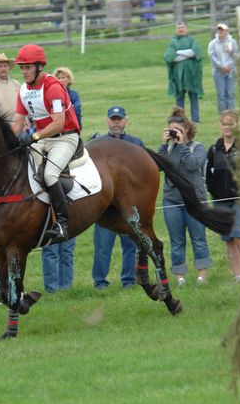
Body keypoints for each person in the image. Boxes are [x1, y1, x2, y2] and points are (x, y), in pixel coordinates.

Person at [11, 44, 81, 244]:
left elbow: (58, 123)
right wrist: (9, 143)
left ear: (39, 67)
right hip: (44, 138)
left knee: (49, 174)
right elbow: (17, 122)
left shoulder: (53, 88)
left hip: (65, 137)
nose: (23, 72)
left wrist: (33, 137)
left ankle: (61, 222)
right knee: (22, 167)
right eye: (21, 68)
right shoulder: (23, 90)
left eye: (27, 67)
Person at [89, 106, 144, 289]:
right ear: (107, 121)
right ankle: (100, 282)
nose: (116, 122)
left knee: (130, 246)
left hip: (128, 205)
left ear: (125, 120)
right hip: (104, 206)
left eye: (119, 119)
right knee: (103, 247)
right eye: (113, 119)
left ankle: (128, 280)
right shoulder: (98, 144)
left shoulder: (136, 144)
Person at [157, 107, 211, 285]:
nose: (175, 133)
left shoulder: (198, 147)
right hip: (172, 199)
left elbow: (192, 165)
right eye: (172, 130)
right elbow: (158, 167)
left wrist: (181, 146)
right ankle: (180, 277)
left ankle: (202, 275)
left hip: (194, 200)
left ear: (187, 129)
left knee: (198, 238)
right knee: (177, 241)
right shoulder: (166, 148)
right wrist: (165, 146)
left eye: (178, 130)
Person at [40, 66, 82, 293]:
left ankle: (66, 287)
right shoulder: (43, 98)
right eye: (57, 76)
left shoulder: (73, 98)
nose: (60, 80)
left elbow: (73, 123)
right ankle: (52, 288)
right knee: (50, 248)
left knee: (67, 248)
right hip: (48, 140)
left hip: (65, 140)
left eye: (64, 76)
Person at [205, 110, 240, 282]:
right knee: (229, 239)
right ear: (220, 125)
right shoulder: (215, 148)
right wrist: (212, 190)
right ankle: (238, 275)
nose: (227, 128)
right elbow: (208, 174)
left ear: (237, 125)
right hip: (220, 200)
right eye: (224, 124)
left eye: (230, 124)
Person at [164, 20, 204, 123]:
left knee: (193, 97)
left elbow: (195, 53)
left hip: (192, 75)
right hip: (178, 76)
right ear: (176, 29)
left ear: (186, 28)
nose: (181, 29)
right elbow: (171, 57)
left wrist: (178, 53)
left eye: (183, 27)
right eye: (179, 28)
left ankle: (195, 119)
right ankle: (180, 120)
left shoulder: (192, 40)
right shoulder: (173, 42)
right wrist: (186, 54)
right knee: (180, 99)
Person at [208, 23, 239, 113]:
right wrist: (222, 67)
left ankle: (231, 114)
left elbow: (236, 55)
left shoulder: (232, 42)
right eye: (219, 30)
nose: (220, 31)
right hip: (218, 72)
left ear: (227, 31)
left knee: (230, 94)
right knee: (221, 95)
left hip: (231, 71)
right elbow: (212, 56)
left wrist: (228, 66)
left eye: (222, 30)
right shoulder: (213, 43)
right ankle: (223, 115)